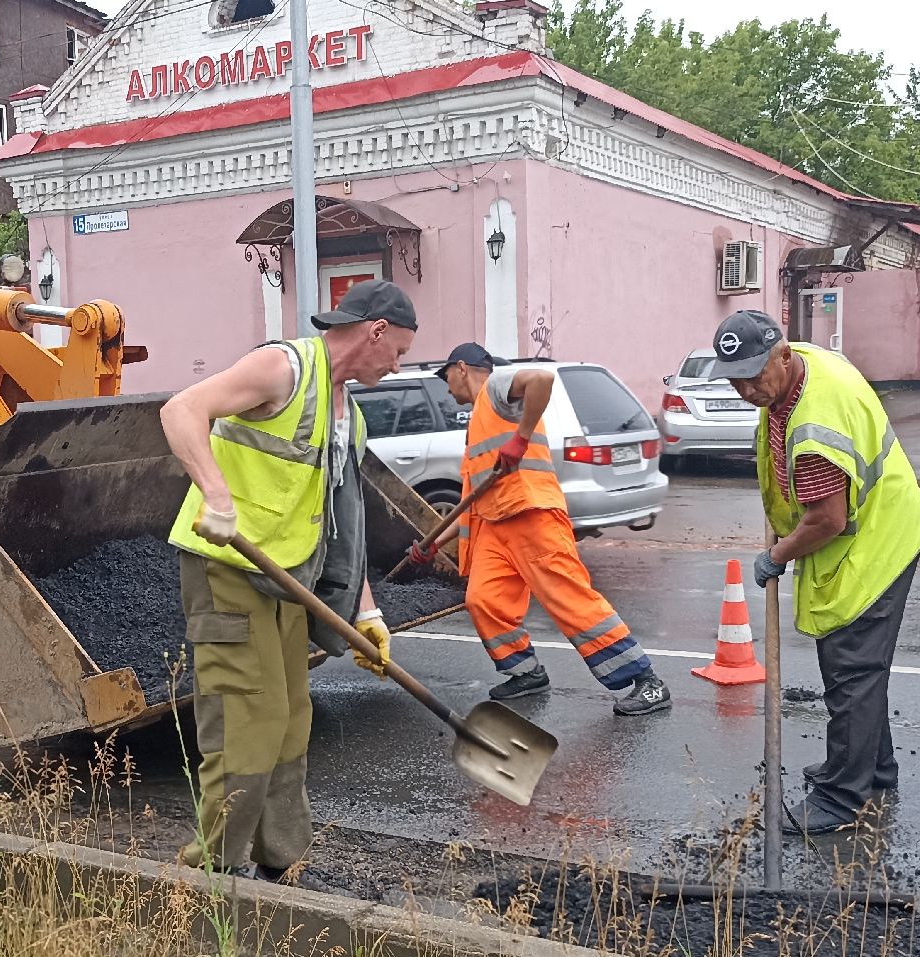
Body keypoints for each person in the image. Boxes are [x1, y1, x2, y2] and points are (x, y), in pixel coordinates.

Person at [160, 280, 418, 880]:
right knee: (249, 723)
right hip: (228, 571)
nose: (398, 364)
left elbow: (340, 525)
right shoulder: (284, 368)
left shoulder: (345, 412)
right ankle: (209, 879)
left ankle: (282, 862)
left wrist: (366, 612)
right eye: (399, 351)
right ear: (376, 330)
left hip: (286, 582)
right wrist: (216, 494)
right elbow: (181, 410)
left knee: (291, 721)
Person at [698, 311, 920, 836]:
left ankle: (842, 797)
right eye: (736, 379)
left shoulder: (815, 431)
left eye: (756, 376)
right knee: (862, 670)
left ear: (783, 356)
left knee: (851, 670)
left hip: (875, 541)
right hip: (875, 521)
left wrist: (777, 556)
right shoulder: (800, 366)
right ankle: (873, 768)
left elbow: (828, 518)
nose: (747, 390)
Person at [408, 343, 671, 717]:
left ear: (462, 368)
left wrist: (520, 438)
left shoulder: (497, 387)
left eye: (446, 376)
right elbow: (470, 505)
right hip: (496, 525)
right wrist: (432, 544)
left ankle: (647, 681)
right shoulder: (476, 427)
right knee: (484, 600)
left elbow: (542, 379)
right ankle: (525, 672)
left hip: (531, 513)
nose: (446, 387)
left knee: (569, 598)